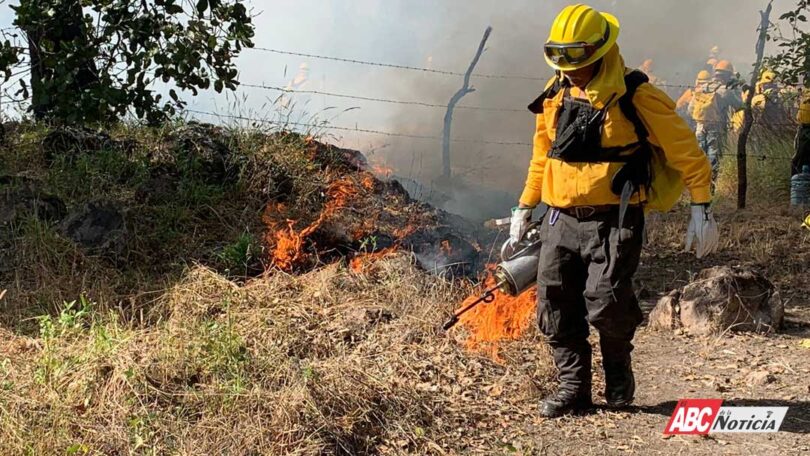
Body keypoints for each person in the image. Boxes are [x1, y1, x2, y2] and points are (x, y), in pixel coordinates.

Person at [510, 4, 719, 418]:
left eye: (578, 60)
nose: (570, 70)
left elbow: (686, 151)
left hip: (614, 218)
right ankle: (574, 388)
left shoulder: (636, 94)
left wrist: (701, 204)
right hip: (559, 218)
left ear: (600, 53)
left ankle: (618, 369)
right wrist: (525, 204)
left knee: (605, 301)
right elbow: (542, 158)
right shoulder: (556, 94)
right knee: (553, 303)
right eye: (562, 60)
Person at [793, 80, 810, 176]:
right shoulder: (805, 92)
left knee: (800, 160)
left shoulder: (805, 92)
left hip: (804, 129)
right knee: (800, 160)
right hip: (804, 128)